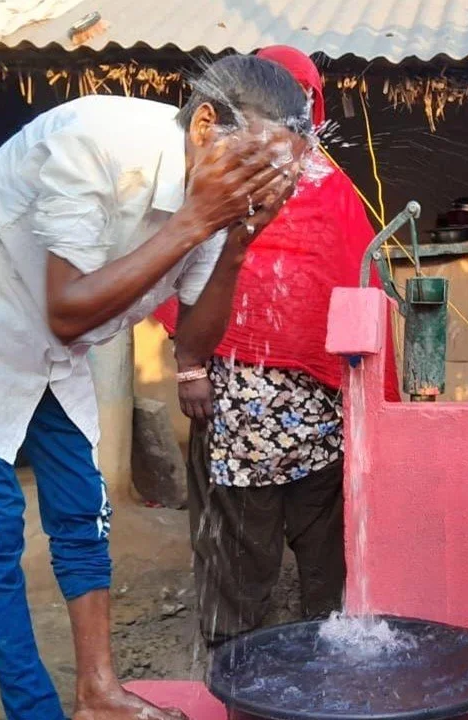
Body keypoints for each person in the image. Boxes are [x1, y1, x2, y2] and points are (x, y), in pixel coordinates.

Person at [0, 55, 310, 720]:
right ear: (206, 125)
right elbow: (67, 307)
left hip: (56, 348)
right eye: (258, 170)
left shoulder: (224, 199)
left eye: (279, 177)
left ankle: (97, 693)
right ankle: (33, 709)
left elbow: (194, 345)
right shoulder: (91, 144)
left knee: (83, 513)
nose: (265, 190)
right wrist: (199, 221)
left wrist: (235, 244)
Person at [152, 45, 400, 650]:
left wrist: (366, 395)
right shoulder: (216, 171)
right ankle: (234, 658)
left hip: (319, 402)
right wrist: (190, 371)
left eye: (302, 98)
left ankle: (333, 649)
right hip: (232, 393)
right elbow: (179, 276)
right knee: (237, 540)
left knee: (325, 538)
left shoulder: (333, 187)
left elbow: (355, 285)